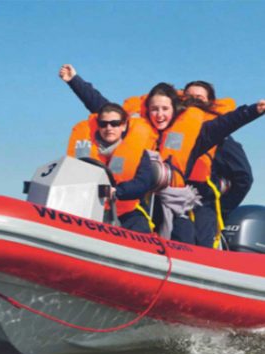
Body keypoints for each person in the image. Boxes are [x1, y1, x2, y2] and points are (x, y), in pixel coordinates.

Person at [59, 65, 265, 246]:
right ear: (147, 111)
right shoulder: (133, 128)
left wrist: (255, 110)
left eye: (165, 109)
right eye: (154, 109)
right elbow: (102, 108)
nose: (159, 114)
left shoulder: (195, 135)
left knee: (188, 238)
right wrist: (75, 81)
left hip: (175, 205)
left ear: (174, 109)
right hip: (140, 201)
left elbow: (226, 123)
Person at [65, 102, 159, 232]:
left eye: (115, 123)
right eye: (103, 124)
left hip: (127, 212)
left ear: (124, 126)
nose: (109, 128)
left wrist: (118, 191)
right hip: (88, 209)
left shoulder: (139, 154)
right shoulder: (85, 150)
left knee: (140, 225)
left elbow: (143, 183)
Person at [183, 80, 253, 222]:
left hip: (202, 204)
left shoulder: (221, 138)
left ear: (210, 103)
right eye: (188, 97)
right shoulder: (169, 130)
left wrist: (220, 210)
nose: (193, 101)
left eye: (199, 98)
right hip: (167, 197)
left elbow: (244, 178)